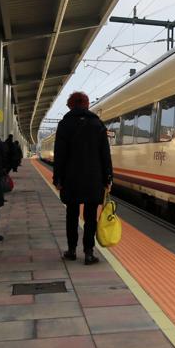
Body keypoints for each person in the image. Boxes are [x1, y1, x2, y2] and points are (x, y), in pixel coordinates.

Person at [52, 91, 112, 265]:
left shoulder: (64, 124)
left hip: (71, 178)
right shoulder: (97, 124)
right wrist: (108, 176)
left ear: (70, 105)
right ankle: (88, 253)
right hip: (94, 178)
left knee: (71, 215)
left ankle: (71, 251)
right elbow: (105, 154)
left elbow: (60, 154)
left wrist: (58, 178)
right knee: (90, 216)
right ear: (86, 104)